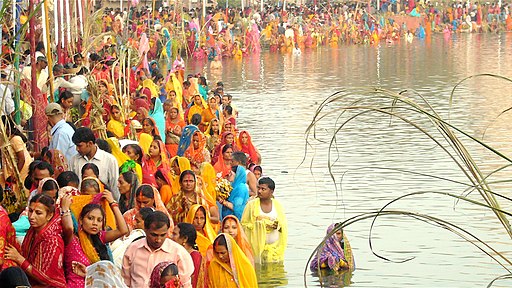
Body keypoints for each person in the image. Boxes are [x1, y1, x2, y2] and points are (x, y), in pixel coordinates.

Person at [60, 190, 128, 287]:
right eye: (90, 218)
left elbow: (123, 230)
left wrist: (113, 203)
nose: (95, 223)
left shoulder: (100, 238)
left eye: (99, 220)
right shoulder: (72, 240)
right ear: (81, 220)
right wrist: (65, 208)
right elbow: (69, 227)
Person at [4, 194, 67, 287]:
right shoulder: (33, 230)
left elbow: (46, 278)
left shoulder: (52, 241)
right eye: (30, 211)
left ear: (49, 216)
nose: (31, 216)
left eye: (38, 213)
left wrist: (18, 258)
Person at [122, 210, 194, 287]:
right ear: (145, 230)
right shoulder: (133, 249)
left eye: (163, 235)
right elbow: (125, 282)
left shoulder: (179, 253)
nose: (158, 240)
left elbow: (185, 284)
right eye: (154, 235)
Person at [241, 177, 287, 264]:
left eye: (263, 189)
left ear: (271, 191)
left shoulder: (277, 206)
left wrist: (276, 226)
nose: (259, 191)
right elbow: (243, 226)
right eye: (258, 188)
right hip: (256, 250)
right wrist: (259, 225)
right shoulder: (251, 206)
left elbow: (283, 227)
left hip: (275, 251)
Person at [70, 127, 120, 200]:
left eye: (79, 146)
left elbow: (114, 186)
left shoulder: (109, 160)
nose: (77, 149)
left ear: (90, 143)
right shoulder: (74, 160)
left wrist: (114, 204)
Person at [171, 223, 206, 288]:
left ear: (185, 239)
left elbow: (194, 282)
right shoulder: (176, 253)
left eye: (174, 234)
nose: (171, 237)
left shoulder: (195, 257)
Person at [1, 115, 32, 184]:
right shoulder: (5, 141)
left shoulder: (15, 139)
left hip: (21, 173)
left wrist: (15, 175)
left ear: (7, 129)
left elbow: (22, 159)